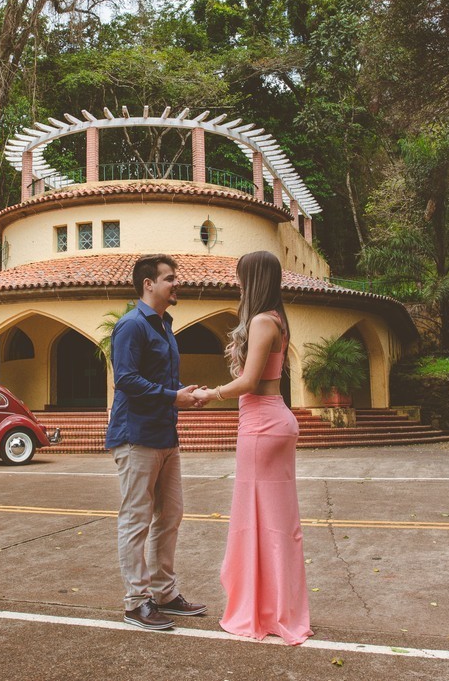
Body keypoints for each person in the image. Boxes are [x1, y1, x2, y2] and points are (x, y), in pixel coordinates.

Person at [192, 250, 313, 645]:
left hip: (262, 424)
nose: (239, 284)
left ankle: (263, 611)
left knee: (258, 520)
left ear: (254, 279)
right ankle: (278, 609)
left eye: (242, 277)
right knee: (276, 522)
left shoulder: (262, 321)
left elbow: (248, 382)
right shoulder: (277, 319)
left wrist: (209, 394)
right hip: (271, 422)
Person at [106, 254, 207, 630]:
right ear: (148, 284)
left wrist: (182, 394)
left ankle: (164, 594)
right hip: (136, 437)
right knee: (136, 519)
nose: (176, 283)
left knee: (171, 515)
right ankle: (136, 602)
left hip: (165, 434)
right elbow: (125, 379)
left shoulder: (164, 325)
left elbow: (159, 382)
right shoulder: (131, 325)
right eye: (169, 278)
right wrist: (172, 396)